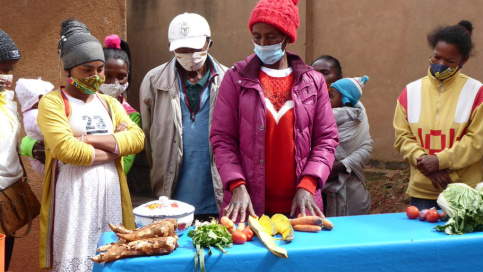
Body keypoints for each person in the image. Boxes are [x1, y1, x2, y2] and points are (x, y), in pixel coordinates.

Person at [209, 0, 339, 222]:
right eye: (257, 37)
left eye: (271, 37)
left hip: (301, 207)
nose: (262, 43)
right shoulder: (236, 79)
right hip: (247, 206)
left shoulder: (312, 82)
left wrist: (309, 184)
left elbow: (326, 139)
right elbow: (222, 139)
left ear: (287, 37)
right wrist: (236, 184)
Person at [38, 19, 144, 271]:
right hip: (73, 198)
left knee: (113, 257)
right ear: (68, 70)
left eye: (99, 69)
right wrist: (115, 147)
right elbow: (66, 150)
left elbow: (137, 139)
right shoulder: (52, 103)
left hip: (111, 196)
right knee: (77, 259)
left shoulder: (109, 103)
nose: (96, 77)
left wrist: (85, 139)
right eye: (87, 70)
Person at [140, 13, 227, 220]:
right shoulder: (154, 81)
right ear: (170, 45)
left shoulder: (228, 80)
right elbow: (148, 137)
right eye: (182, 50)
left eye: (196, 49)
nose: (190, 55)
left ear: (209, 44)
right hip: (170, 198)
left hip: (218, 196)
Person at [394, 20, 483, 210]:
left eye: (450, 61)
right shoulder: (410, 92)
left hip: (464, 192)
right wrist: (427, 164)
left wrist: (440, 161)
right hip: (422, 192)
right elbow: (402, 138)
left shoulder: (477, 93)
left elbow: (477, 141)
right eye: (436, 57)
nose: (441, 64)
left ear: (464, 60)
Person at [325, 76, 372, 216]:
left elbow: (366, 147)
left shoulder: (337, 113)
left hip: (350, 190)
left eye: (330, 96)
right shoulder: (356, 112)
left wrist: (340, 165)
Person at [101, 34, 141, 175]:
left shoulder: (131, 116)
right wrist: (115, 142)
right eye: (107, 76)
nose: (114, 83)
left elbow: (123, 166)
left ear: (128, 76)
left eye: (121, 77)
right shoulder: (80, 104)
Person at [0, 28, 22, 271]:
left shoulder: (6, 101)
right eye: (3, 69)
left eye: (11, 69)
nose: (8, 76)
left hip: (9, 200)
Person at [15, 78, 54, 175]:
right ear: (38, 99)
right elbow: (53, 132)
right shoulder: (35, 115)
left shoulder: (34, 114)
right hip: (43, 161)